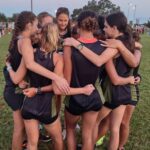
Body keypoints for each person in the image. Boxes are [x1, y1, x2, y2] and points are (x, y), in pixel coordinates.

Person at [6, 22, 95, 150]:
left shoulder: (29, 53)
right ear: (55, 37)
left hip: (29, 104)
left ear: (41, 35)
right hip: (47, 106)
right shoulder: (57, 58)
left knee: (32, 143)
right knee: (58, 140)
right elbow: (58, 89)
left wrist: (9, 67)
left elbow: (18, 78)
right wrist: (83, 90)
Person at [63, 10, 119, 150]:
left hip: (74, 96)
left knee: (70, 130)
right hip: (93, 96)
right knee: (88, 135)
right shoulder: (103, 46)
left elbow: (67, 78)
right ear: (95, 27)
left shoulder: (69, 44)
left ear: (78, 25)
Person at [3, 11, 36, 150]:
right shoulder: (25, 41)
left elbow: (13, 62)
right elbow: (17, 76)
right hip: (15, 90)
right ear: (29, 25)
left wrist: (9, 66)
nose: (37, 27)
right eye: (36, 24)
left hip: (11, 89)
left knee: (20, 128)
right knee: (19, 129)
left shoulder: (18, 38)